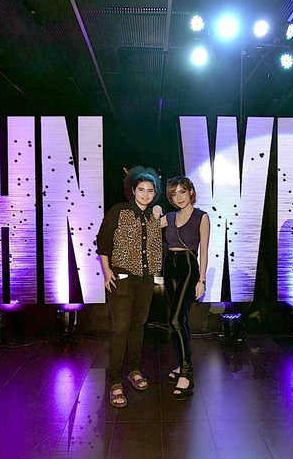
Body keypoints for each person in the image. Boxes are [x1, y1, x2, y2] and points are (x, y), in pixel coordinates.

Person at [96, 166, 163, 408]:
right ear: (133, 190)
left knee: (138, 326)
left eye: (150, 190)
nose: (145, 194)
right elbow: (103, 241)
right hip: (121, 278)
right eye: (141, 189)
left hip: (145, 280)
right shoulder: (120, 211)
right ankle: (115, 381)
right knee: (120, 329)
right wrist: (107, 272)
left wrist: (157, 215)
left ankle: (134, 370)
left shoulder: (153, 215)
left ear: (155, 193)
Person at [159, 176, 210, 400]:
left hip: (189, 267)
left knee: (175, 320)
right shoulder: (169, 217)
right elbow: (146, 225)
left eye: (182, 192)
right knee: (182, 318)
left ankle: (187, 371)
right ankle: (183, 364)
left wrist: (202, 280)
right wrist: (155, 210)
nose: (178, 197)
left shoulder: (201, 216)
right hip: (170, 266)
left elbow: (205, 250)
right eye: (174, 194)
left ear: (191, 192)